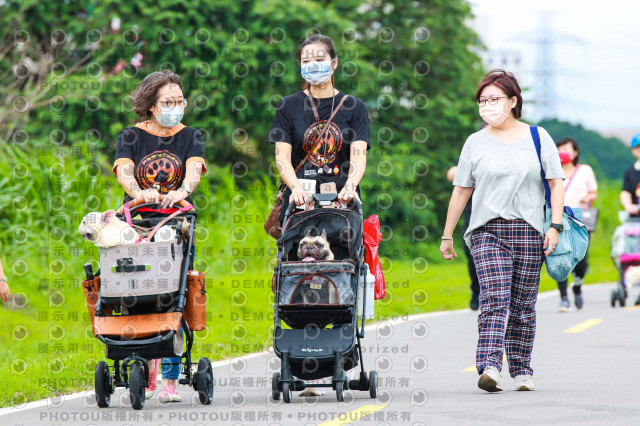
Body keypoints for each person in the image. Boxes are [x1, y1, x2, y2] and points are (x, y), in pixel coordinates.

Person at [440, 69, 565, 393]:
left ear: (512, 101)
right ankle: (490, 366)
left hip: (529, 230)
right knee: (494, 297)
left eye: (494, 99)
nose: (487, 106)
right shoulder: (475, 142)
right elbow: (461, 190)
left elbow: (555, 183)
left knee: (523, 306)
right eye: (482, 101)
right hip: (487, 231)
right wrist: (447, 234)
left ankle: (521, 369)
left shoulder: (538, 137)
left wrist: (554, 226)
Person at [268, 34, 371, 396]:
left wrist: (351, 185)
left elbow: (358, 154)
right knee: (298, 273)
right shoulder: (289, 106)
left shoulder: (353, 107)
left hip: (341, 206)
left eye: (319, 58)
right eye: (306, 60)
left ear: (334, 63)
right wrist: (295, 187)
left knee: (340, 274)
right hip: (301, 206)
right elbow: (282, 157)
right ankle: (301, 361)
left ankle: (338, 354)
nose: (313, 65)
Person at [113, 71, 206, 402]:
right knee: (137, 293)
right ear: (151, 105)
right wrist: (140, 193)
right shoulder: (131, 136)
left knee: (172, 294)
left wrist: (181, 192)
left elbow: (193, 172)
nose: (175, 107)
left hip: (175, 221)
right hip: (138, 221)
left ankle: (169, 379)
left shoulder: (190, 136)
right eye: (168, 102)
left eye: (180, 101)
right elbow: (125, 172)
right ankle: (146, 368)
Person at [446, 123, 488, 311]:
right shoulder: (472, 153)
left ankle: (493, 295)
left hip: (502, 217)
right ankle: (476, 290)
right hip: (473, 215)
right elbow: (452, 173)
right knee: (472, 257)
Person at [555, 137, 598, 311]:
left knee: (581, 261)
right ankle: (564, 298)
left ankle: (578, 287)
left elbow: (593, 192)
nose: (562, 152)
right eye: (559, 149)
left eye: (566, 149)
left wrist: (587, 197)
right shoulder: (553, 171)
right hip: (559, 218)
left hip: (581, 218)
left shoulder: (585, 170)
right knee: (560, 257)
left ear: (575, 152)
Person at [619, 133, 640, 304]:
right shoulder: (630, 172)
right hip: (634, 220)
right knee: (630, 253)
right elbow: (625, 192)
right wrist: (628, 205)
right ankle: (624, 284)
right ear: (634, 150)